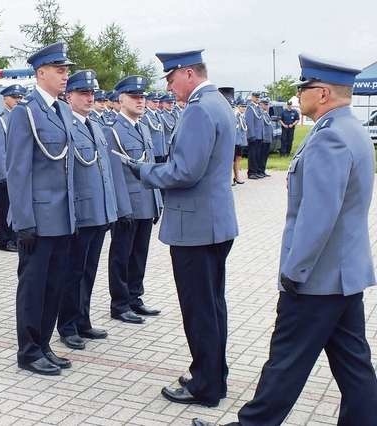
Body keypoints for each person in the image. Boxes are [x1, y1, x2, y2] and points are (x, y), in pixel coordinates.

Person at [192, 54, 377, 426]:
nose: (297, 95)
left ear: (322, 93)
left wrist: (296, 271)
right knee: (354, 364)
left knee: (285, 361)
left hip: (317, 279)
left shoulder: (331, 139)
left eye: (302, 88)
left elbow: (317, 218)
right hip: (342, 275)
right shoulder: (351, 129)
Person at [123, 50, 238, 407]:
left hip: (195, 227)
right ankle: (213, 374)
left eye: (171, 79)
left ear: (189, 74)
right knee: (212, 304)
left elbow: (184, 172)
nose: (170, 88)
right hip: (214, 224)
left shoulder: (200, 109)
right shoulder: (218, 102)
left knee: (199, 308)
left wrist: (144, 171)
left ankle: (205, 385)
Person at [6, 42, 76, 376]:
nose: (65, 77)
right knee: (33, 287)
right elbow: (18, 170)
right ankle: (28, 351)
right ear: (41, 73)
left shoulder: (61, 110)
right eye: (60, 71)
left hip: (62, 217)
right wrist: (23, 221)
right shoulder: (25, 112)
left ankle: (44, 344)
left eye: (66, 71)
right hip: (38, 218)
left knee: (55, 286)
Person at [57, 70, 117, 351]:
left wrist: (111, 210)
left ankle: (83, 319)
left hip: (99, 213)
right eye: (83, 93)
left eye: (92, 93)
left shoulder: (94, 125)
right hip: (80, 214)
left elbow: (104, 172)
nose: (90, 98)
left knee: (89, 271)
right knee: (72, 272)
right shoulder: (66, 126)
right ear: (68, 96)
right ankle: (67, 326)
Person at [103, 75, 163, 325]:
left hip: (146, 201)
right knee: (121, 255)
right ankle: (119, 303)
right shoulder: (113, 130)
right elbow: (114, 173)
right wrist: (121, 207)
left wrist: (157, 200)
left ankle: (135, 298)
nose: (141, 101)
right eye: (135, 97)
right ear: (121, 99)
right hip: (127, 204)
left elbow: (149, 165)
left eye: (143, 97)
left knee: (139, 254)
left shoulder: (143, 126)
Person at [0, 84, 27, 253]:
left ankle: (15, 237)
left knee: (17, 206)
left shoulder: (20, 116)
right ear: (5, 98)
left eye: (20, 97)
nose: (18, 100)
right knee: (5, 207)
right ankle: (5, 240)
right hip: (8, 173)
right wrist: (4, 175)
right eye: (14, 97)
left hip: (20, 172)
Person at [141, 92, 165, 163]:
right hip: (153, 151)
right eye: (154, 102)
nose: (156, 104)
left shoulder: (158, 114)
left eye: (158, 102)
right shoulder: (145, 115)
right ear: (147, 102)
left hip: (162, 150)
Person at [245, 92, 264, 179]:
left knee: (258, 154)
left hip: (259, 135)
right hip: (254, 135)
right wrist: (251, 135)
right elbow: (249, 122)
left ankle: (256, 171)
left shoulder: (258, 108)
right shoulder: (250, 108)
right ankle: (251, 172)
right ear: (252, 97)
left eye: (258, 97)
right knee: (252, 154)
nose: (257, 98)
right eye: (255, 97)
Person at [157, 92, 177, 160]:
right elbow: (171, 128)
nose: (171, 104)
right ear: (162, 103)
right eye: (168, 102)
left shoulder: (174, 114)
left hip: (174, 146)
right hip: (166, 146)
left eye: (172, 102)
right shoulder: (161, 115)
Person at [233, 98, 247, 185]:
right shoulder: (235, 115)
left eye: (245, 106)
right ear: (238, 106)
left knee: (238, 158)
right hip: (234, 141)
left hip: (240, 141)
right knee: (232, 160)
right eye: (242, 106)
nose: (244, 108)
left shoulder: (242, 116)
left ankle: (237, 176)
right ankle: (232, 177)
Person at [259, 97, 273, 177]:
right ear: (261, 105)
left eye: (267, 104)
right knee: (262, 155)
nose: (267, 106)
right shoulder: (261, 114)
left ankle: (263, 170)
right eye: (265, 104)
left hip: (268, 138)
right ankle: (260, 170)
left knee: (265, 155)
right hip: (264, 138)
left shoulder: (266, 114)